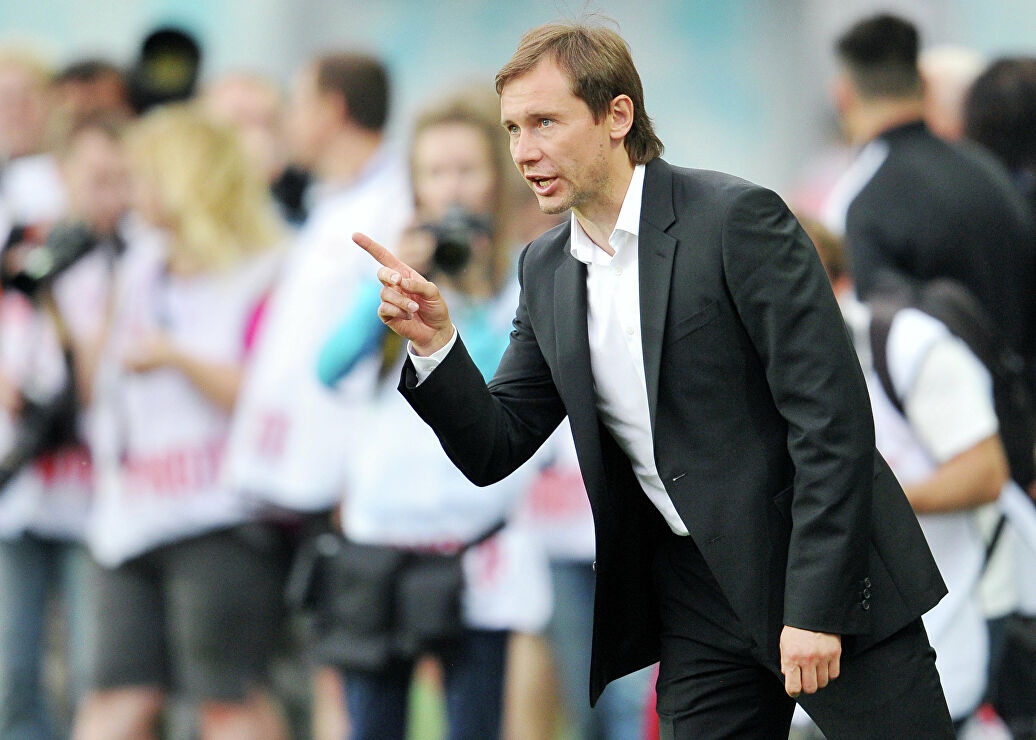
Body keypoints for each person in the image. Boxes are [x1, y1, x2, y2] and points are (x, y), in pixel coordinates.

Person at [355, 20, 953, 739]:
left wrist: (816, 608)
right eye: (513, 128)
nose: (523, 152)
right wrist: (436, 346)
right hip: (695, 601)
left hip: (823, 578)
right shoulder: (545, 269)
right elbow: (495, 445)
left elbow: (832, 423)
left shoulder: (738, 220)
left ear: (618, 116)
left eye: (545, 122)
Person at [315, 90, 552, 740]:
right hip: (379, 540)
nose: (452, 188)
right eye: (435, 171)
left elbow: (499, 386)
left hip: (473, 544)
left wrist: (465, 293)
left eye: (467, 170)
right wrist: (391, 288)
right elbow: (329, 368)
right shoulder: (394, 269)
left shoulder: (523, 276)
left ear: (497, 177)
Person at [72, 105, 289, 740]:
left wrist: (176, 357)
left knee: (226, 702)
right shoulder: (137, 264)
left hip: (222, 515)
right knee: (116, 701)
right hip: (130, 515)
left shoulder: (264, 269)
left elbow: (267, 398)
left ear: (183, 180)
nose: (131, 192)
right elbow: (97, 387)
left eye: (143, 177)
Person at [805, 216, 1007, 728]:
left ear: (840, 282)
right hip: (813, 672)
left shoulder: (904, 344)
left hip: (938, 646)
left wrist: (857, 496)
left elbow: (986, 472)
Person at [822, 14, 1036, 369]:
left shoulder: (858, 197)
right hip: (1019, 391)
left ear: (843, 95)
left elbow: (867, 337)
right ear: (923, 83)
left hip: (937, 397)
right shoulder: (987, 171)